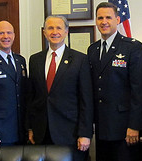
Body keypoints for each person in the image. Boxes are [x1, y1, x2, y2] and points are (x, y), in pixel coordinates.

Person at [87, 2, 142, 161]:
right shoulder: (93, 50)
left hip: (125, 128)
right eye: (100, 18)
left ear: (118, 19)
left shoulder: (132, 47)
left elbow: (139, 90)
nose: (104, 21)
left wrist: (135, 126)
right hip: (101, 127)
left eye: (108, 17)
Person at [27, 15, 93, 161]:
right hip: (41, 133)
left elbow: (86, 100)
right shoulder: (35, 60)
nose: (54, 32)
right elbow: (32, 97)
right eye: (50, 28)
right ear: (44, 32)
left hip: (70, 134)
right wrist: (30, 128)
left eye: (59, 28)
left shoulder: (80, 60)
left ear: (66, 31)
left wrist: (85, 133)